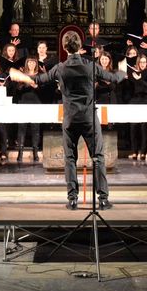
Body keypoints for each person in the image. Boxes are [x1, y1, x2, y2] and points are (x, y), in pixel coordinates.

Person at [12, 31, 127, 210]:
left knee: (70, 159)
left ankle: (72, 199)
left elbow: (40, 80)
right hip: (89, 118)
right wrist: (123, 70)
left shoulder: (60, 68)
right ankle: (103, 199)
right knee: (98, 158)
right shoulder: (90, 65)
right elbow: (114, 78)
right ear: (80, 46)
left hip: (70, 119)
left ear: (65, 48)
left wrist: (22, 77)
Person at [126, 53, 147, 160]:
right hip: (134, 101)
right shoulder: (133, 73)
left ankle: (143, 152)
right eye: (141, 62)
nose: (142, 64)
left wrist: (139, 79)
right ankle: (134, 151)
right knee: (133, 127)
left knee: (143, 127)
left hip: (144, 100)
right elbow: (129, 90)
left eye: (144, 62)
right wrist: (129, 79)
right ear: (138, 63)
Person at [15, 58, 41, 162]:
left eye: (33, 62)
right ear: (26, 63)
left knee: (35, 128)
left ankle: (35, 153)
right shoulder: (22, 75)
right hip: (23, 103)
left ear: (36, 64)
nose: (31, 64)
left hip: (36, 103)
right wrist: (23, 82)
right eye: (29, 62)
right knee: (22, 128)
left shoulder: (39, 75)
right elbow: (17, 90)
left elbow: (44, 89)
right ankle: (20, 153)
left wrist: (36, 86)